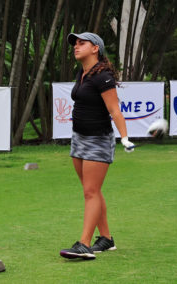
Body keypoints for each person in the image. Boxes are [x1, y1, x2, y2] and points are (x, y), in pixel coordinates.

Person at [59, 32, 135, 260]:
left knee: (91, 192)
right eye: (75, 43)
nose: (76, 46)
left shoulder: (102, 76)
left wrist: (124, 137)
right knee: (91, 191)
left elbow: (115, 110)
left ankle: (84, 244)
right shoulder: (82, 73)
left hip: (98, 140)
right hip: (79, 138)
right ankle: (106, 239)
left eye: (82, 43)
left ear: (96, 49)